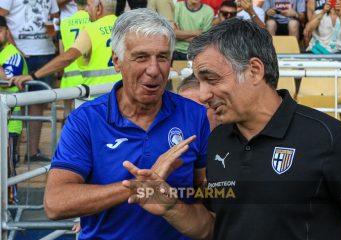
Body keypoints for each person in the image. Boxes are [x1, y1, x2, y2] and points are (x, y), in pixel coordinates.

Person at [122, 18, 341, 240]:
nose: (203, 94)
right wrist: (170, 205)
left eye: (211, 79)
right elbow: (214, 227)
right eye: (199, 81)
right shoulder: (217, 140)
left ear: (254, 70)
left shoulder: (331, 139)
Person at [43, 9, 210, 240]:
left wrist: (174, 204)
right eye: (141, 57)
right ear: (117, 61)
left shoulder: (196, 116)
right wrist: (136, 187)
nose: (153, 70)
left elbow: (207, 197)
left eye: (162, 57)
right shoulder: (86, 120)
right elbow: (55, 203)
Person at [10, 0, 121, 90]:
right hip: (122, 93)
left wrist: (33, 76)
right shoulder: (125, 27)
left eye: (88, 5)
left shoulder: (91, 29)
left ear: (99, 8)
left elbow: (68, 57)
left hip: (97, 96)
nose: (86, 9)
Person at [0, 0, 59, 162]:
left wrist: (54, 32)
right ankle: (12, 153)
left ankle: (32, 152)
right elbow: (1, 16)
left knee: (38, 103)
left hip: (45, 52)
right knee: (14, 102)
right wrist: (14, 48)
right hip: (19, 52)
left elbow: (55, 17)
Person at [0, 15, 28, 203]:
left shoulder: (13, 55)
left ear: (6, 32)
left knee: (7, 166)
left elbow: (4, 81)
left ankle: (12, 205)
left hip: (10, 122)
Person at [58, 0, 89, 121]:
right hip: (86, 76)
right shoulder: (93, 21)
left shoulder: (64, 23)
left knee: (67, 115)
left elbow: (62, 52)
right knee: (83, 116)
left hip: (69, 76)